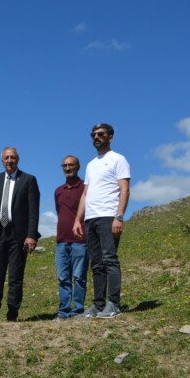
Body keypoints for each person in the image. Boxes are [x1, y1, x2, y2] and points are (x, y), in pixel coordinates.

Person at [73, 123, 131, 319]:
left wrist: (119, 216)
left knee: (109, 260)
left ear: (110, 137)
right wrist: (78, 220)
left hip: (109, 217)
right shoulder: (91, 164)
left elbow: (124, 189)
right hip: (91, 219)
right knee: (96, 264)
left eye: (100, 134)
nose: (96, 137)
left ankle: (113, 303)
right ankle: (97, 305)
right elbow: (85, 194)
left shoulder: (118, 159)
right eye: (93, 135)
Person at [0, 147, 41, 321]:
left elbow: (33, 211)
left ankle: (12, 316)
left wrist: (31, 235)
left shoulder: (28, 180)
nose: (10, 160)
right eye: (6, 158)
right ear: (2, 160)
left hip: (19, 235)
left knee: (15, 278)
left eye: (13, 157)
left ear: (18, 159)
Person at [54, 155, 88, 318]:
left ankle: (78, 310)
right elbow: (59, 212)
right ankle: (63, 311)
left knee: (79, 277)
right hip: (61, 241)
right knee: (63, 278)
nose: (67, 169)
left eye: (71, 165)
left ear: (78, 167)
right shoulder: (58, 191)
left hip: (80, 240)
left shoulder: (84, 188)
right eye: (65, 166)